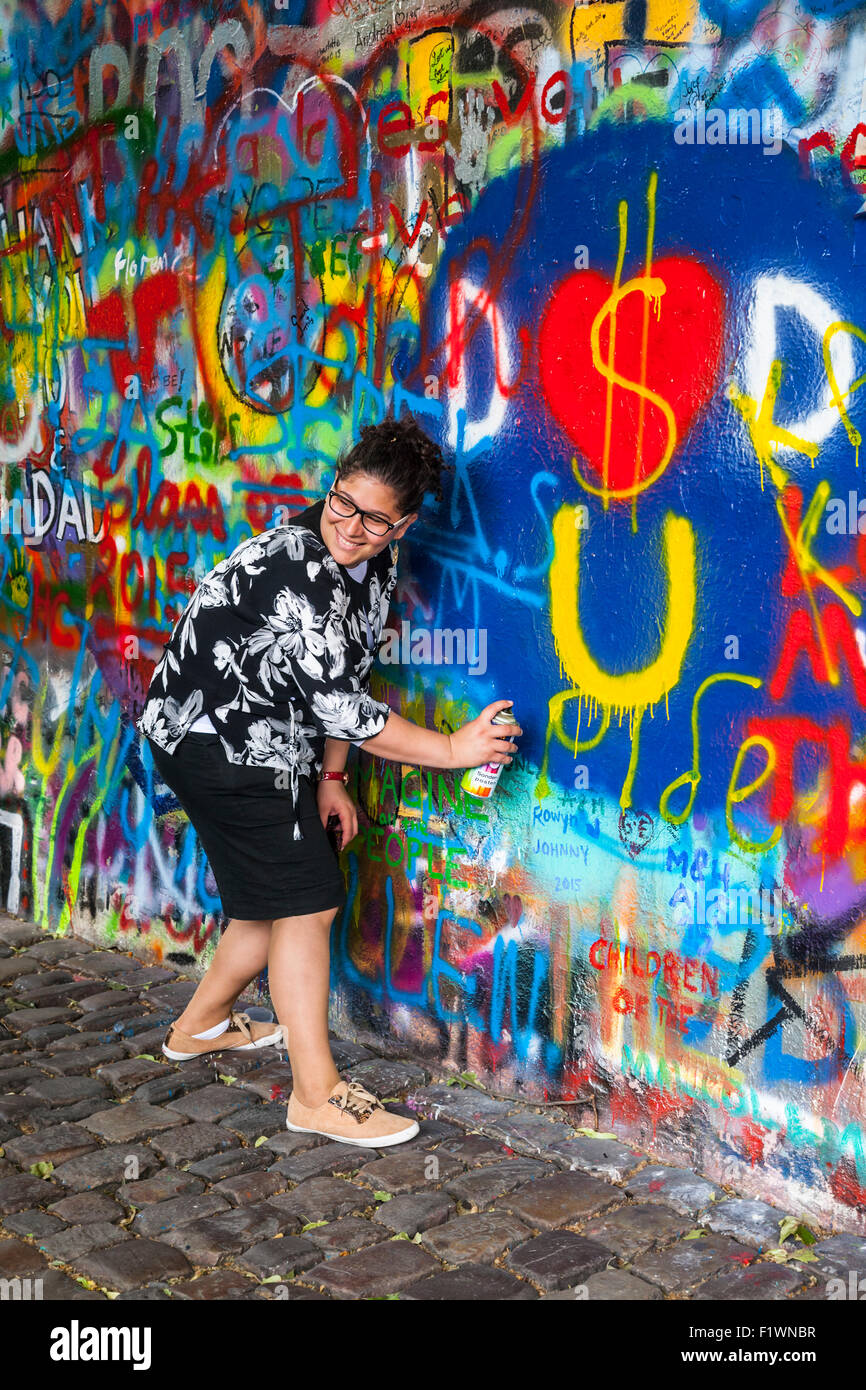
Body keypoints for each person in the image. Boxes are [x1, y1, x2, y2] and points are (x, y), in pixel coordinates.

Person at [138, 415, 521, 1147]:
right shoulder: (298, 567)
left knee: (274, 899)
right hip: (213, 739)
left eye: (375, 519)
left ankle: (199, 1027)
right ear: (334, 486)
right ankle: (315, 1094)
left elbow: (347, 672)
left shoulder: (373, 562)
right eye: (342, 503)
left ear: (403, 525)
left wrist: (332, 776)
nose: (349, 527)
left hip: (266, 738)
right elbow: (349, 706)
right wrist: (454, 747)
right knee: (310, 902)